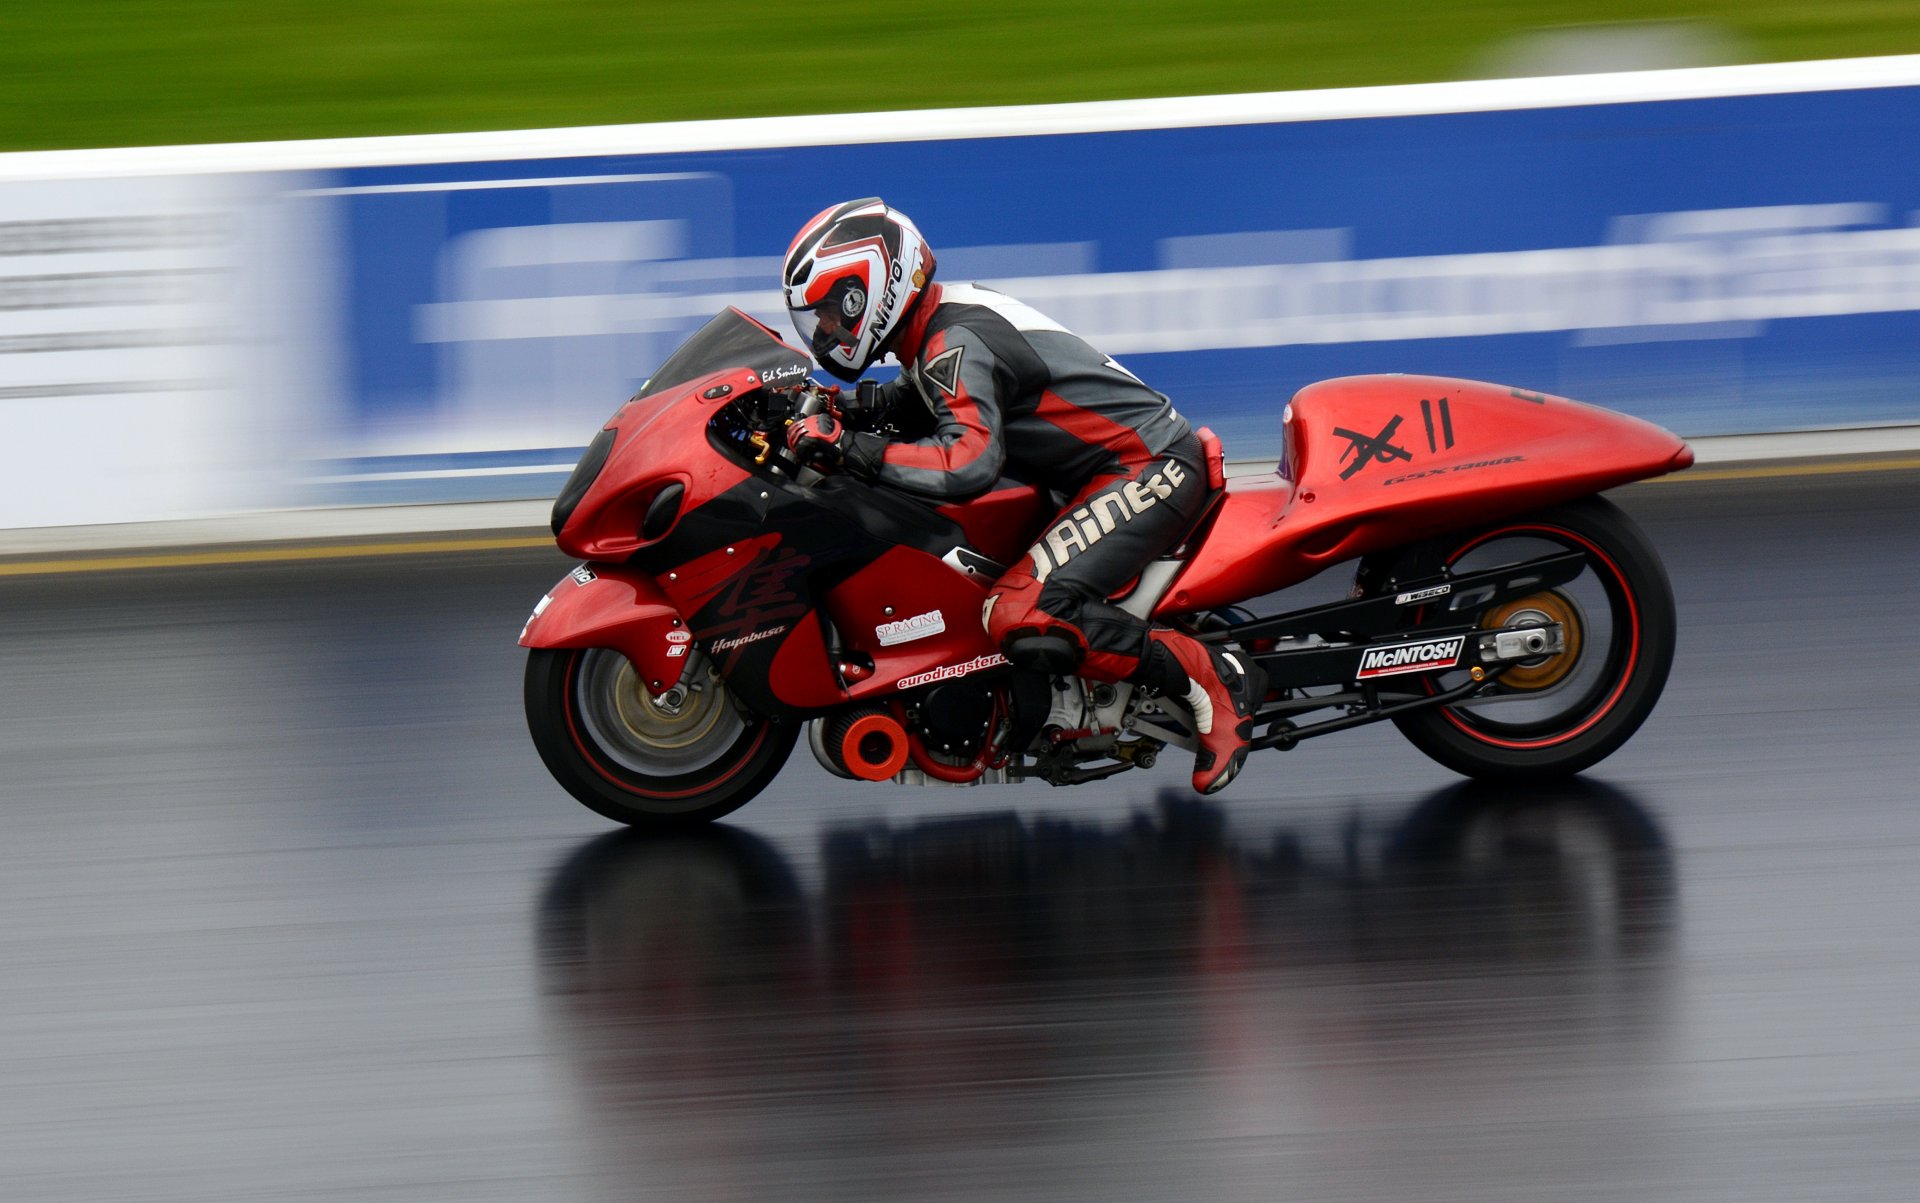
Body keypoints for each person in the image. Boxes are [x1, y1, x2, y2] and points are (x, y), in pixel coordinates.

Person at [779, 198, 1264, 795]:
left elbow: (967, 463)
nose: (825, 330)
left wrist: (851, 448)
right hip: (1103, 471)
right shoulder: (941, 323)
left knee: (1021, 611)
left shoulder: (954, 339)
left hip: (1147, 467)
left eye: (830, 312)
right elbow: (916, 399)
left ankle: (1208, 675)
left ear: (871, 290)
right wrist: (834, 409)